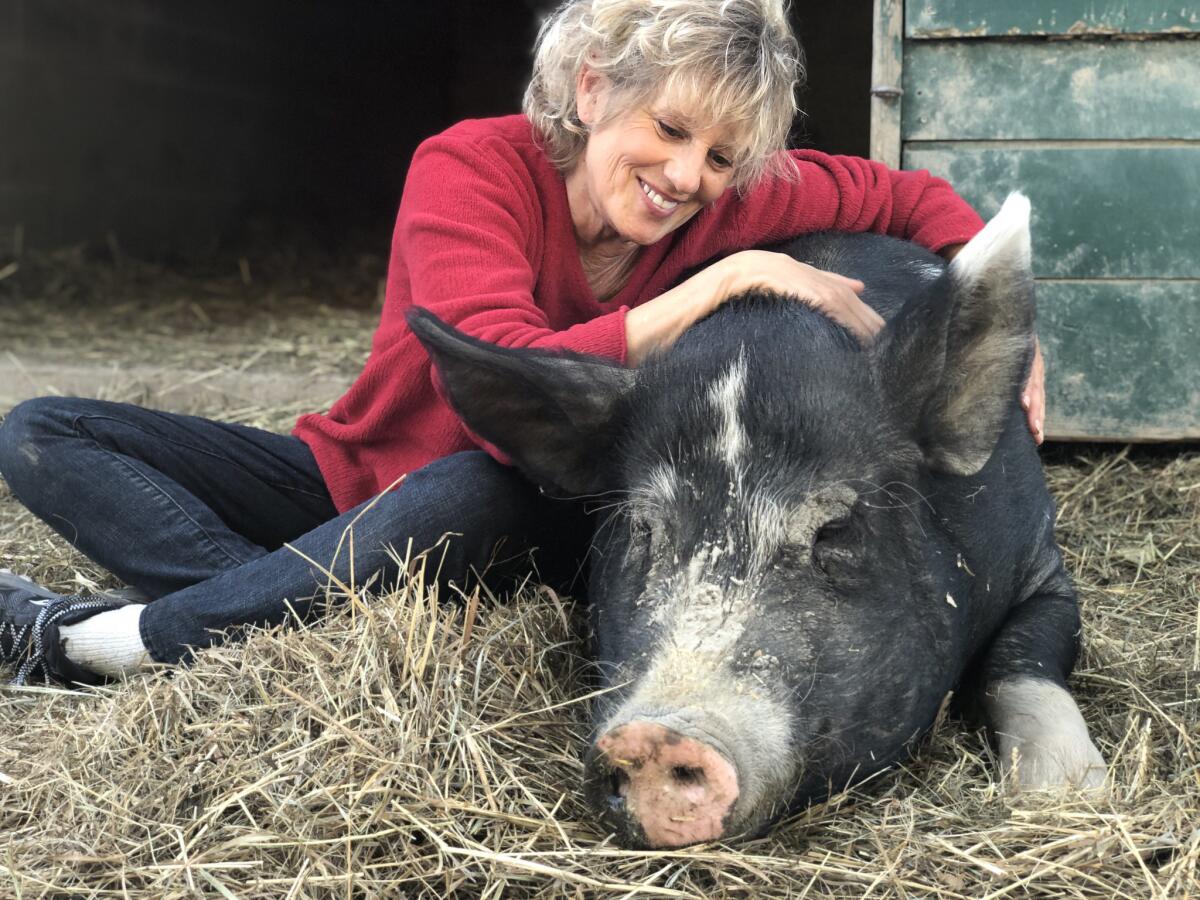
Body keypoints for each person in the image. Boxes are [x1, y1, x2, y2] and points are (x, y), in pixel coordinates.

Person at [0, 0, 1044, 688]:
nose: (690, 177)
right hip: (350, 472)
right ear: (593, 90)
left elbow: (915, 197)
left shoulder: (733, 200)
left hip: (523, 499)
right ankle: (273, 613)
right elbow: (487, 364)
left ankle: (108, 642)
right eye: (670, 130)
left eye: (723, 155)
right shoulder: (471, 168)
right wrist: (722, 282)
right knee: (43, 429)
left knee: (464, 492)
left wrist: (1014, 343)